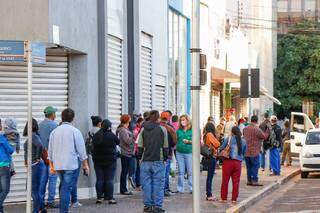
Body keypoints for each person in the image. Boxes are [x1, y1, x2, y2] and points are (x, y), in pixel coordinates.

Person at [48, 108, 89, 213]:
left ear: (62, 117)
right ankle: (63, 211)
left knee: (63, 186)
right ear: (73, 118)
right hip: (70, 164)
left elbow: (50, 151)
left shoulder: (54, 131)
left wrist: (52, 166)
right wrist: (85, 165)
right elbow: (81, 150)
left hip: (58, 164)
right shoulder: (75, 131)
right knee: (66, 188)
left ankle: (63, 209)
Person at [138, 110, 168, 213]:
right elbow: (165, 146)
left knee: (146, 184)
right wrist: (165, 159)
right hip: (158, 160)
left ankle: (147, 206)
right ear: (158, 118)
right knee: (158, 184)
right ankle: (157, 206)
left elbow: (140, 146)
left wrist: (139, 158)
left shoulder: (143, 130)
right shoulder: (162, 129)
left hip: (145, 160)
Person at [92, 119, 119, 204]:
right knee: (109, 179)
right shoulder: (112, 135)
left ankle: (99, 198)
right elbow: (118, 142)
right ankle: (110, 198)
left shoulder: (96, 135)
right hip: (110, 161)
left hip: (98, 161)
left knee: (99, 179)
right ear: (109, 127)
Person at [23, 118, 46, 213]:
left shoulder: (33, 136)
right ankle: (41, 208)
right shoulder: (33, 135)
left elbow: (40, 146)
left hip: (35, 165)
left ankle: (36, 210)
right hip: (34, 165)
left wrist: (37, 158)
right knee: (33, 188)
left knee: (32, 189)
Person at [38, 106, 59, 209]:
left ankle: (40, 201)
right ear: (52, 114)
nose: (55, 115)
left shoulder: (39, 125)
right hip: (52, 157)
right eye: (55, 113)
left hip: (41, 156)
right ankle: (50, 201)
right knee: (53, 179)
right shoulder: (54, 125)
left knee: (43, 180)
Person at [220, 126, 246, 203]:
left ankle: (223, 198)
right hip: (238, 163)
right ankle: (234, 199)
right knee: (236, 182)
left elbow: (222, 148)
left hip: (228, 162)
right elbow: (244, 153)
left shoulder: (228, 139)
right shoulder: (243, 141)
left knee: (225, 181)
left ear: (232, 132)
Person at [243, 115, 268, 186]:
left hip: (246, 150)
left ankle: (249, 180)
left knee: (248, 167)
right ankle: (255, 180)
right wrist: (267, 132)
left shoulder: (245, 128)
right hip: (254, 151)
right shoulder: (257, 129)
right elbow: (264, 136)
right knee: (255, 166)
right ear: (256, 121)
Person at [159, 112, 177, 197]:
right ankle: (165, 189)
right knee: (165, 173)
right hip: (168, 152)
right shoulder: (170, 128)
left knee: (159, 173)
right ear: (169, 118)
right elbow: (174, 141)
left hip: (157, 153)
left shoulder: (156, 126)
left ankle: (160, 189)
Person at [117, 114, 135, 195]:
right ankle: (123, 189)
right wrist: (133, 136)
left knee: (126, 171)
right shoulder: (123, 130)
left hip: (127, 152)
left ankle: (124, 188)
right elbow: (127, 141)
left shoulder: (124, 129)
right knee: (124, 171)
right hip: (125, 153)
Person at [203, 122, 220, 201]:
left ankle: (209, 194)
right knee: (210, 177)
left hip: (209, 157)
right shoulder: (210, 134)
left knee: (209, 177)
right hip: (211, 157)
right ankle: (209, 195)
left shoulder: (206, 134)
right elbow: (217, 144)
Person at [0, 119, 14, 213]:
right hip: (3, 166)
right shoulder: (1, 138)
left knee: (0, 190)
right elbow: (10, 150)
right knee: (5, 190)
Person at [176, 115, 193, 194]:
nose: (182, 122)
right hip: (179, 153)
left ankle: (192, 188)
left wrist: (189, 141)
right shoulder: (178, 131)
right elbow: (175, 140)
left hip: (189, 153)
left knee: (190, 171)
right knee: (181, 171)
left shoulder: (192, 130)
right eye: (181, 120)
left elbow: (196, 141)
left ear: (187, 120)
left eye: (184, 120)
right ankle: (180, 188)